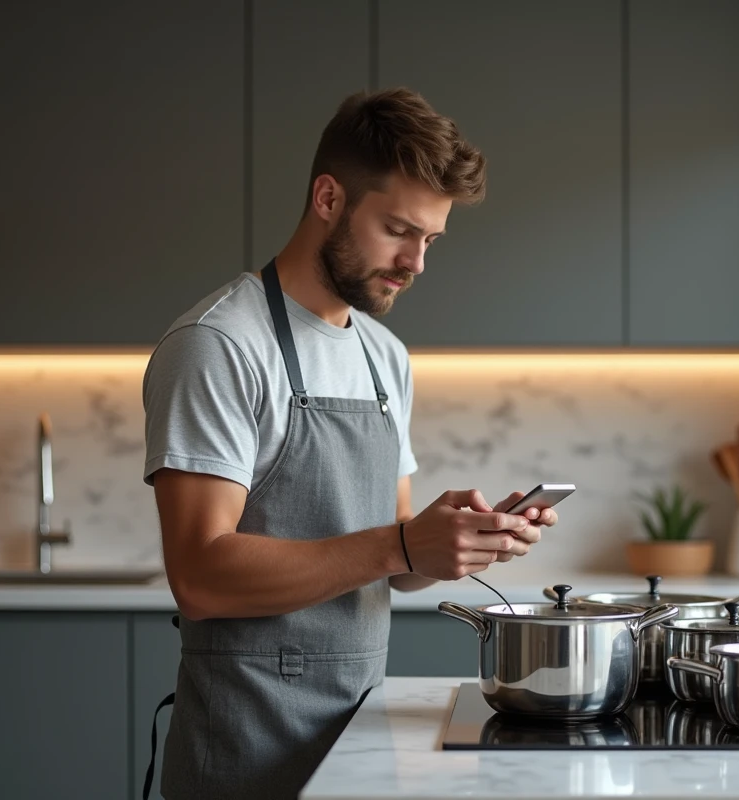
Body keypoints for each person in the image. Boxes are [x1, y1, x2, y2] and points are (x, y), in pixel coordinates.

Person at [139, 87, 559, 800]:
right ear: (328, 198)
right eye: (398, 229)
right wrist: (399, 544)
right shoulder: (218, 345)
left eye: (430, 239)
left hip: (356, 744)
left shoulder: (383, 356)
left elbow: (388, 565)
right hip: (243, 753)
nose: (416, 262)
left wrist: (451, 541)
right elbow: (201, 577)